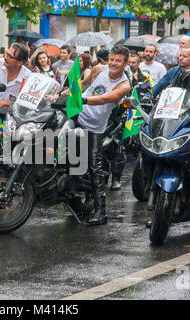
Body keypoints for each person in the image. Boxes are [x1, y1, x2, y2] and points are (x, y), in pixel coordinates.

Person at [77, 45, 131, 226]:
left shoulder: (124, 85)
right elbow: (89, 88)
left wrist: (82, 99)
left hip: (94, 126)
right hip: (77, 115)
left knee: (95, 166)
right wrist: (68, 95)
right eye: (112, 59)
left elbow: (106, 98)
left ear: (125, 63)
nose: (113, 63)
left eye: (118, 61)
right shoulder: (101, 71)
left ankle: (101, 212)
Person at [0, 43, 31, 116]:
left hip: (10, 118)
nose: (5, 57)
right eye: (6, 53)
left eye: (9, 56)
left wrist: (5, 102)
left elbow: (26, 104)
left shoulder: (27, 77)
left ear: (19, 63)